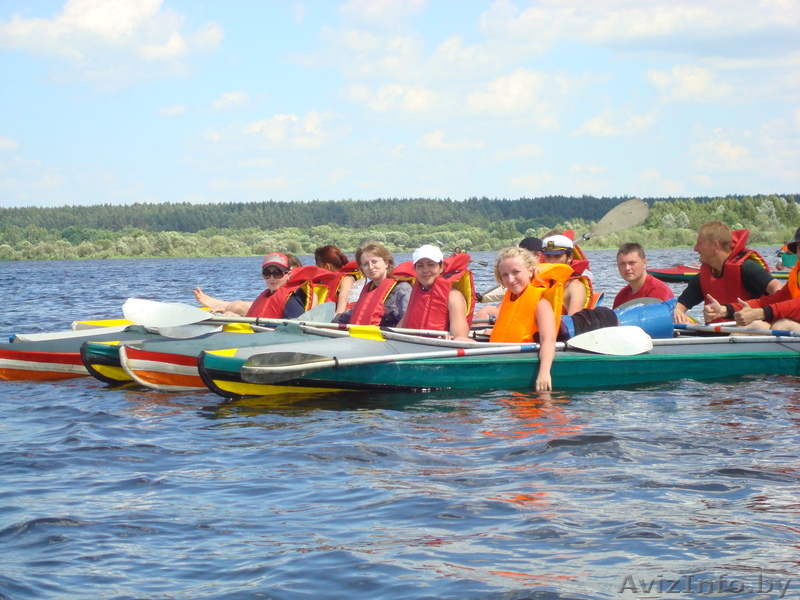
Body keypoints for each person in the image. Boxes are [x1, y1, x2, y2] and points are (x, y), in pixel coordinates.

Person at [489, 246, 572, 392]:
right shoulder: (509, 300)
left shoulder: (541, 304)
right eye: (505, 275)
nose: (510, 279)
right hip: (503, 358)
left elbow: (549, 340)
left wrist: (544, 372)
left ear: (530, 271)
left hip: (527, 359)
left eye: (516, 272)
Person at [673, 221, 781, 324]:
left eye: (699, 243)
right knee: (676, 319)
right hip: (717, 333)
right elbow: (681, 304)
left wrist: (761, 311)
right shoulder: (702, 277)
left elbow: (779, 289)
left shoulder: (748, 268)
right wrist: (678, 311)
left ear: (715, 245)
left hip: (748, 331)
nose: (695, 249)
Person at [703, 227, 800, 331]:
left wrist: (761, 313)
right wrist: (725, 310)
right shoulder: (796, 276)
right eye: (799, 248)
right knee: (750, 325)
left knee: (782, 326)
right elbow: (768, 302)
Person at [194, 252, 312, 319]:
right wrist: (237, 318)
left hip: (275, 347)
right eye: (267, 273)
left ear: (288, 274)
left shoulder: (292, 299)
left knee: (238, 306)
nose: (272, 278)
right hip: (260, 336)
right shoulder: (268, 296)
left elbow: (294, 332)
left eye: (277, 273)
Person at [397, 245, 472, 340]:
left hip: (439, 348)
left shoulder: (453, 297)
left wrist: (451, 338)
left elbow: (460, 336)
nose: (425, 270)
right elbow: (399, 329)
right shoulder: (416, 295)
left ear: (441, 267)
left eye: (431, 264)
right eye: (420, 266)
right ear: (415, 270)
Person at [333, 241, 412, 327]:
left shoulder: (402, 289)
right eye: (366, 264)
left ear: (386, 263)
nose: (370, 267)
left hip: (389, 338)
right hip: (364, 337)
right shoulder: (368, 290)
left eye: (374, 262)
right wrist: (331, 320)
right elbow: (351, 314)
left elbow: (409, 320)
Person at [540, 234, 595, 315]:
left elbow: (572, 323)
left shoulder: (576, 287)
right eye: (548, 256)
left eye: (557, 256)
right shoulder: (541, 284)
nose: (551, 261)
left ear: (569, 258)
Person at [612, 242, 674, 308]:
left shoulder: (659, 291)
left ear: (645, 263)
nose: (627, 268)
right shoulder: (621, 296)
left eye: (632, 263)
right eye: (622, 264)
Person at [314, 244, 361, 314]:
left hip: (339, 318)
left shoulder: (346, 279)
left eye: (319, 266)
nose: (318, 269)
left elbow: (343, 298)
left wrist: (336, 317)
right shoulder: (324, 282)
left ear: (327, 266)